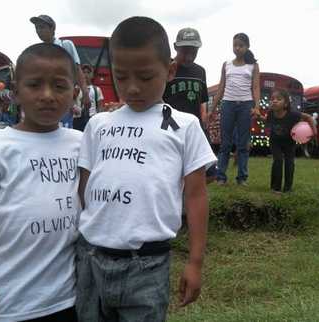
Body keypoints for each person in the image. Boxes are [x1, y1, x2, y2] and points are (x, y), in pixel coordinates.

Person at [76, 16, 217, 322]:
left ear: (169, 70)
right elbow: (84, 186)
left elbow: (195, 196)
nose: (132, 88)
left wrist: (195, 261)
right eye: (121, 77)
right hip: (91, 258)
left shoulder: (185, 126)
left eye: (145, 76)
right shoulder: (99, 123)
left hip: (147, 265)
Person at [0, 43, 82, 322]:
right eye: (35, 85)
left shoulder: (80, 143)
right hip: (12, 299)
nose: (47, 96)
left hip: (69, 295)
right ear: (15, 92)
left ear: (74, 93)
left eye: (60, 86)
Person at [163, 27, 216, 183]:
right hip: (170, 126)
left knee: (210, 172)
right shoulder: (166, 69)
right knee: (171, 169)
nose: (189, 56)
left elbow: (202, 100)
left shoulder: (200, 71)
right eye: (185, 51)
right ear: (175, 47)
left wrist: (204, 116)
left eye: (193, 52)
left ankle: (189, 190)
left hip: (195, 126)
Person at [209, 32, 261, 186]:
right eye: (235, 45)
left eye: (241, 45)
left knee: (243, 144)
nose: (237, 48)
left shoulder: (253, 66)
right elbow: (221, 87)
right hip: (228, 105)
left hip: (246, 105)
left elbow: (256, 87)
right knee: (225, 143)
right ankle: (221, 176)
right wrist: (212, 109)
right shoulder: (227, 65)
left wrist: (257, 107)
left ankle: (242, 178)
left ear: (247, 47)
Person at [30, 14, 91, 128]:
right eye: (37, 28)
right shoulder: (38, 52)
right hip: (44, 99)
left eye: (42, 27)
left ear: (52, 28)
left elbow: (77, 70)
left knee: (63, 131)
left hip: (63, 98)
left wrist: (85, 93)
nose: (39, 31)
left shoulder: (66, 45)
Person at [267, 89, 316, 195]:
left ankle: (287, 188)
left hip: (289, 143)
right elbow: (267, 121)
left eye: (278, 99)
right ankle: (275, 188)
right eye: (272, 99)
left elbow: (308, 117)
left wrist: (314, 130)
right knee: (278, 160)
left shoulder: (293, 114)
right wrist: (258, 117)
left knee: (289, 163)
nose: (274, 101)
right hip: (275, 142)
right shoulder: (270, 113)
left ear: (285, 104)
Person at [73, 64, 104, 131]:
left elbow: (100, 106)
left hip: (92, 118)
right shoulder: (76, 88)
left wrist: (99, 119)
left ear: (92, 75)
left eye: (88, 72)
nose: (86, 75)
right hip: (78, 119)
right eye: (83, 72)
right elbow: (71, 103)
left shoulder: (96, 89)